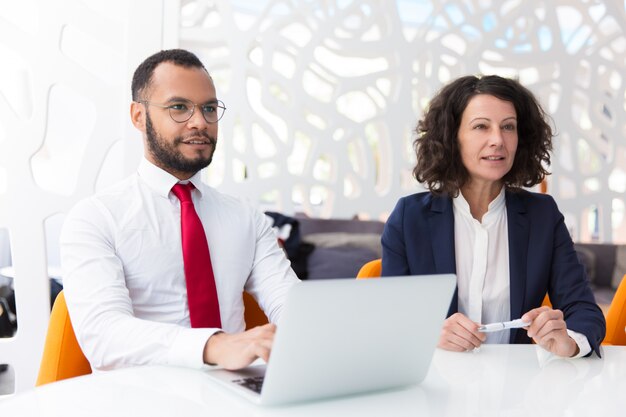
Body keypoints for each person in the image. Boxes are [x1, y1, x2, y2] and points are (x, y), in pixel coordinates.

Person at [61, 49, 299, 371]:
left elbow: (291, 306)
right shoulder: (95, 218)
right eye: (179, 107)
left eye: (209, 108)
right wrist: (214, 345)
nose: (200, 122)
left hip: (234, 392)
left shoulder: (245, 217)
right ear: (138, 116)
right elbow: (104, 336)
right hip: (143, 397)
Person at [382, 75, 605, 357]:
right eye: (481, 127)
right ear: (452, 137)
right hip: (435, 381)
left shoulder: (542, 216)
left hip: (516, 389)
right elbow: (389, 317)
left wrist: (568, 342)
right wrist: (429, 333)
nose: (498, 140)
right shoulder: (409, 217)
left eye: (508, 127)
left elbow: (583, 309)